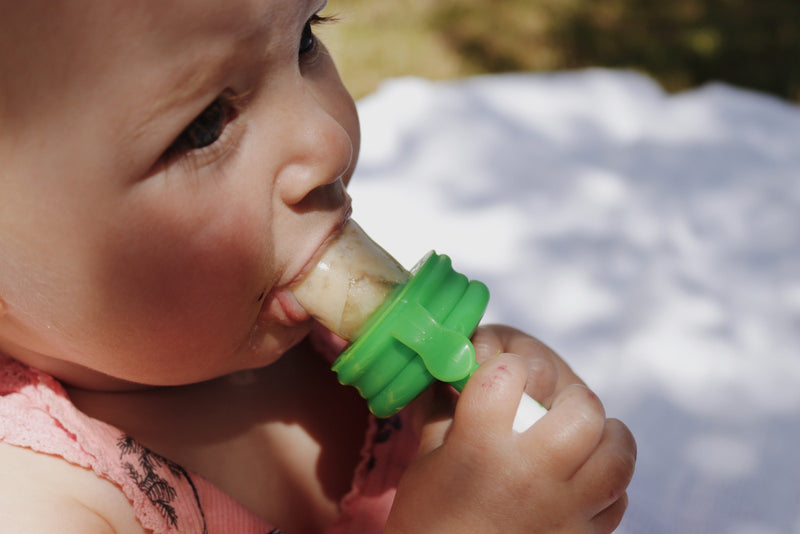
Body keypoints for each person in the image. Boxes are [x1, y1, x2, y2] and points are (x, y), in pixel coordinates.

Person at [0, 0, 636, 532]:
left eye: (305, 37)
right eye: (203, 127)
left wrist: (496, 428)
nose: (327, 137)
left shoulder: (287, 315)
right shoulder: (41, 503)